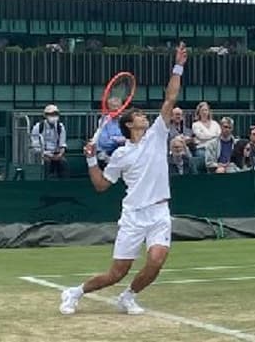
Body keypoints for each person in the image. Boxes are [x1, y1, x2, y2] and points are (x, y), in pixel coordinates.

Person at [60, 42, 187, 317]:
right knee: (117, 272)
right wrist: (91, 159)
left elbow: (170, 99)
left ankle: (128, 297)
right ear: (129, 124)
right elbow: (101, 185)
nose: (145, 116)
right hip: (132, 216)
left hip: (159, 212)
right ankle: (75, 292)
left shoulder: (156, 134)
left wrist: (178, 66)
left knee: (156, 260)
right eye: (140, 115)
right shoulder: (119, 155)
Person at [30, 104, 69, 179]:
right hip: (42, 154)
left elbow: (62, 144)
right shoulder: (38, 127)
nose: (53, 116)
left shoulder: (60, 127)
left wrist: (60, 154)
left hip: (56, 154)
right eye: (51, 114)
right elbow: (35, 146)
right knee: (47, 164)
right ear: (45, 115)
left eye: (55, 114)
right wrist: (48, 155)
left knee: (64, 163)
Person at [96, 97, 126, 164]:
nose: (116, 109)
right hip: (106, 153)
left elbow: (129, 140)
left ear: (122, 107)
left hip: (123, 152)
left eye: (118, 106)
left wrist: (113, 138)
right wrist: (119, 140)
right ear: (108, 108)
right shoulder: (103, 121)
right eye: (113, 106)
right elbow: (104, 143)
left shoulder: (126, 121)